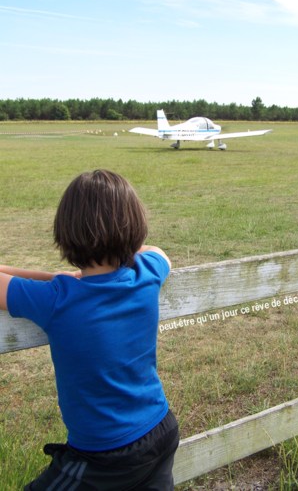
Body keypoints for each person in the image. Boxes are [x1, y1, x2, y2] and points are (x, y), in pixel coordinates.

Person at [0, 169, 179, 490]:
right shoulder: (146, 275)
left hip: (105, 456)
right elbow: (158, 253)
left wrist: (60, 279)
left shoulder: (57, 299)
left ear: (66, 232)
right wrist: (65, 276)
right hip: (160, 429)